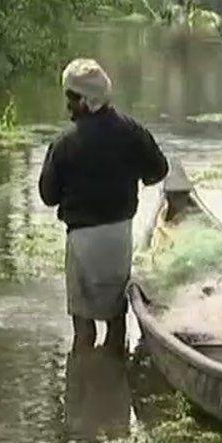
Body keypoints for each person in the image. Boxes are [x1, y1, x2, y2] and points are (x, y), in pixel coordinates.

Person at [39, 58, 169, 351]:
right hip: (119, 237)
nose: (67, 106)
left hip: (83, 241)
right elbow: (158, 171)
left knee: (83, 328)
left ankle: (83, 385)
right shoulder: (132, 131)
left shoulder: (64, 144)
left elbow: (48, 195)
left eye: (70, 99)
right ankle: (112, 380)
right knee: (115, 320)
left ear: (84, 101)